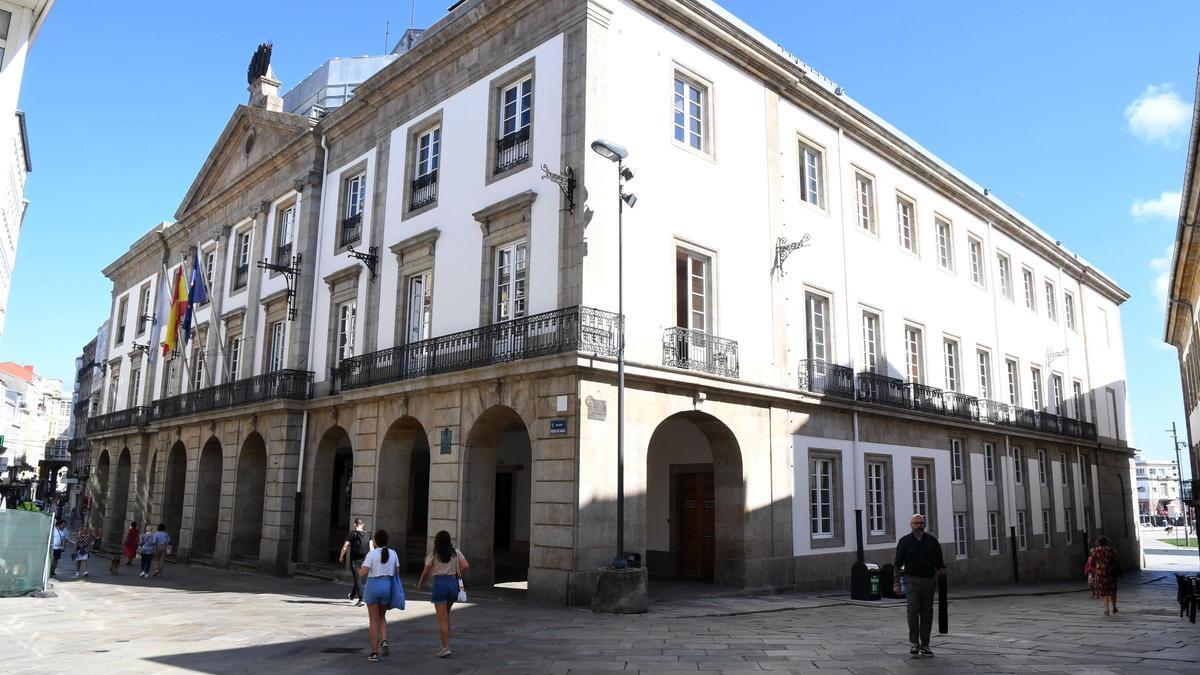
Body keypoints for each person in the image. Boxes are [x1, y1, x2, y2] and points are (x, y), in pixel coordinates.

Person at [893, 513, 946, 658]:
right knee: (912, 610)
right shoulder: (904, 542)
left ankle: (925, 644)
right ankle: (914, 643)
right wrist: (896, 583)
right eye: (916, 523)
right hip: (911, 580)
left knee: (927, 613)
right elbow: (898, 564)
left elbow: (939, 563)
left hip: (929, 581)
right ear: (911, 525)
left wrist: (942, 576)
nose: (919, 526)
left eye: (921, 523)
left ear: (924, 525)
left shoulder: (932, 541)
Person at [416, 530, 470, 658]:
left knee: (442, 619)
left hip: (440, 584)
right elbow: (466, 566)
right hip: (453, 584)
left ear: (437, 542)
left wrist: (420, 584)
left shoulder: (434, 555)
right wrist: (457, 573)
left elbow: (425, 572)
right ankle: (444, 643)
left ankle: (445, 648)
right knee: (446, 616)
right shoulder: (456, 552)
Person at [358, 530, 402, 662]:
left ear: (376, 541)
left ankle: (374, 653)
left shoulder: (372, 554)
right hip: (386, 586)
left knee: (373, 620)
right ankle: (384, 640)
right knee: (382, 616)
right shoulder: (393, 553)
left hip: (373, 585)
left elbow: (363, 573)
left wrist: (360, 568)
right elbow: (397, 571)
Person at [339, 518, 370, 606]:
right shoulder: (367, 534)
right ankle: (352, 595)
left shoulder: (352, 533)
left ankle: (362, 598)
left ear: (354, 524)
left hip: (355, 560)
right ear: (362, 525)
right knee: (358, 578)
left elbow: (345, 546)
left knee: (358, 579)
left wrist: (341, 556)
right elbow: (371, 548)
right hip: (364, 560)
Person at [1090, 535, 1120, 615]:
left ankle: (1106, 609)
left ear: (1098, 542)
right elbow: (1117, 559)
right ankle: (1114, 608)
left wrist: (1096, 568)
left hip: (1100, 574)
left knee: (1104, 591)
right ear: (1107, 542)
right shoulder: (1111, 550)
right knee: (1113, 590)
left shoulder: (1095, 551)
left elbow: (1092, 563)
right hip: (1111, 573)